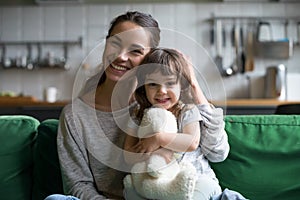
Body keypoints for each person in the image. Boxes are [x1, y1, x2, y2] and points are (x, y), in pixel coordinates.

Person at [46, 10, 230, 200]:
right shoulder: (75, 116)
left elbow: (218, 153)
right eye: (115, 44)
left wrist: (192, 84)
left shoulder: (168, 102)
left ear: (149, 59)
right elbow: (78, 185)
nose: (121, 57)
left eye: (135, 51)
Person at [123, 48, 229, 200]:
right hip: (158, 185)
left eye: (170, 83)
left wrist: (158, 139)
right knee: (131, 192)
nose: (162, 91)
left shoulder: (187, 111)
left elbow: (192, 142)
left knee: (201, 190)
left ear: (182, 85)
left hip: (196, 181)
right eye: (153, 84)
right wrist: (150, 155)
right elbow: (128, 155)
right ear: (143, 87)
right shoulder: (137, 116)